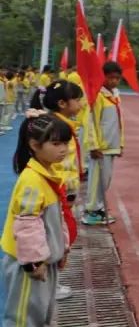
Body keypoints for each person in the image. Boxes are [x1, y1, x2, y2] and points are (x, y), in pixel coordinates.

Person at [0, 112, 73, 327]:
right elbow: (27, 223)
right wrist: (33, 261)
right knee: (22, 312)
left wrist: (60, 249)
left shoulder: (48, 174)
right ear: (34, 144)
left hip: (43, 257)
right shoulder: (32, 180)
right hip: (28, 262)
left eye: (65, 142)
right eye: (55, 143)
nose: (63, 149)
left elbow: (55, 220)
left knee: (38, 310)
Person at [30, 81, 84, 301]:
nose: (80, 103)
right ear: (62, 103)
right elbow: (61, 165)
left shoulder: (62, 124)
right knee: (57, 235)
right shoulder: (56, 129)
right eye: (77, 99)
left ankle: (54, 281)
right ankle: (51, 283)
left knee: (61, 234)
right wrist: (68, 193)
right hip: (58, 191)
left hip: (61, 191)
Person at [83, 62, 124, 226]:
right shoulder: (98, 96)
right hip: (100, 147)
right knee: (96, 180)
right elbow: (91, 122)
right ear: (103, 77)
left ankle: (98, 207)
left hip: (111, 145)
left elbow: (119, 122)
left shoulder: (115, 95)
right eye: (111, 77)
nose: (114, 81)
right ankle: (91, 211)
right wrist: (93, 146)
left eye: (117, 78)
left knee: (105, 180)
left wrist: (120, 144)